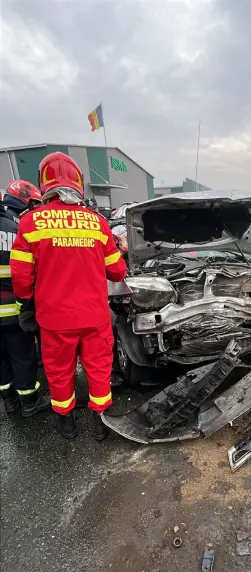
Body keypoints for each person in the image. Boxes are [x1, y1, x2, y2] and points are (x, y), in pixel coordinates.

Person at [10, 152, 127, 439]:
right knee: (99, 369)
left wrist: (26, 303)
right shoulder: (98, 223)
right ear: (79, 183)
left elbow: (21, 277)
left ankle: (67, 424)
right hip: (94, 317)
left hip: (54, 319)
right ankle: (101, 424)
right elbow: (118, 272)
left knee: (59, 372)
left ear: (44, 183)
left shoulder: (30, 223)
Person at [0, 196, 49, 416]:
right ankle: (29, 402)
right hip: (12, 308)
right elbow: (25, 273)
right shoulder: (14, 229)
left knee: (1, 358)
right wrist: (28, 305)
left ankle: (9, 402)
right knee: (22, 356)